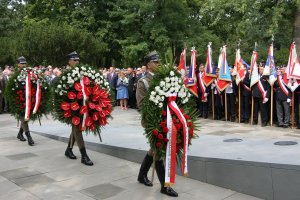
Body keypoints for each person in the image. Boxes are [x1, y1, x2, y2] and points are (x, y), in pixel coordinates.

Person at [136, 50, 178, 197]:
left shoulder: (163, 79)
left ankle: (141, 175)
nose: (159, 64)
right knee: (159, 150)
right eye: (155, 62)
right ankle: (164, 186)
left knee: (154, 149)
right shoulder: (143, 82)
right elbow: (141, 105)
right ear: (148, 65)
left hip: (165, 119)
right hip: (152, 123)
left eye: (159, 61)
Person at [64, 51, 93, 166]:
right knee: (77, 129)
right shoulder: (66, 74)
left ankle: (69, 149)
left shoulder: (82, 73)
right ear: (69, 61)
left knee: (75, 129)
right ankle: (84, 155)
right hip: (71, 107)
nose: (77, 62)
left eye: (78, 60)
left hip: (82, 106)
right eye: (74, 60)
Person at [16, 57, 35, 145]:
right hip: (19, 100)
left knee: (26, 118)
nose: (24, 65)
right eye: (22, 63)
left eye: (25, 63)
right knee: (24, 118)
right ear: (18, 64)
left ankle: (20, 133)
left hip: (28, 99)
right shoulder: (15, 75)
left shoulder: (29, 74)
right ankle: (29, 137)